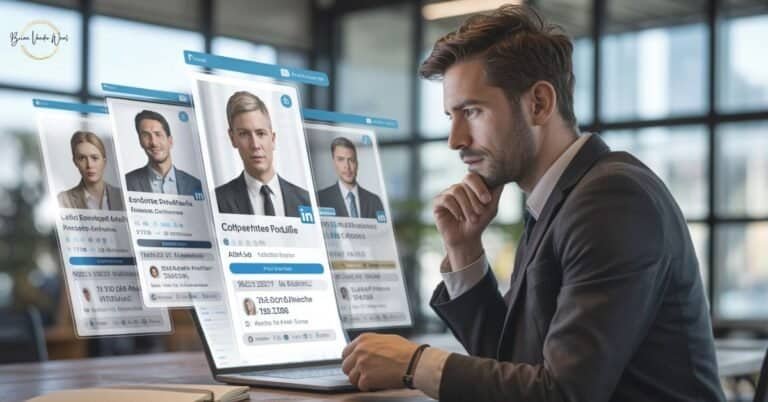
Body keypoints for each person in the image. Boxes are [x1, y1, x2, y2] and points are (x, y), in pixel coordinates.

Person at [340, 5, 725, 402]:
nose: (455, 139)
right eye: (450, 116)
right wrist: (464, 249)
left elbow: (562, 393)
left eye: (471, 111)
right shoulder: (560, 199)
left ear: (539, 103)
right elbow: (513, 363)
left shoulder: (611, 200)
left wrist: (415, 363)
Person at [215, 91, 309, 217]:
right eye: (244, 134)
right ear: (233, 139)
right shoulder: (218, 200)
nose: (255, 145)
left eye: (260, 133)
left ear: (273, 139)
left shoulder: (306, 200)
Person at [125, 110, 202, 196]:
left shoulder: (195, 184)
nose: (154, 142)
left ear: (170, 141)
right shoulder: (127, 183)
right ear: (140, 142)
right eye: (146, 136)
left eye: (158, 134)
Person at [317, 137, 384, 219]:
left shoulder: (374, 201)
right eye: (341, 160)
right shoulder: (320, 199)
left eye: (351, 160)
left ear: (357, 164)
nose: (347, 166)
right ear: (334, 163)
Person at [57, 130, 124, 211]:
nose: (89, 165)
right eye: (82, 158)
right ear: (75, 162)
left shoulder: (122, 196)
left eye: (95, 158)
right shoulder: (64, 199)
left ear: (104, 161)